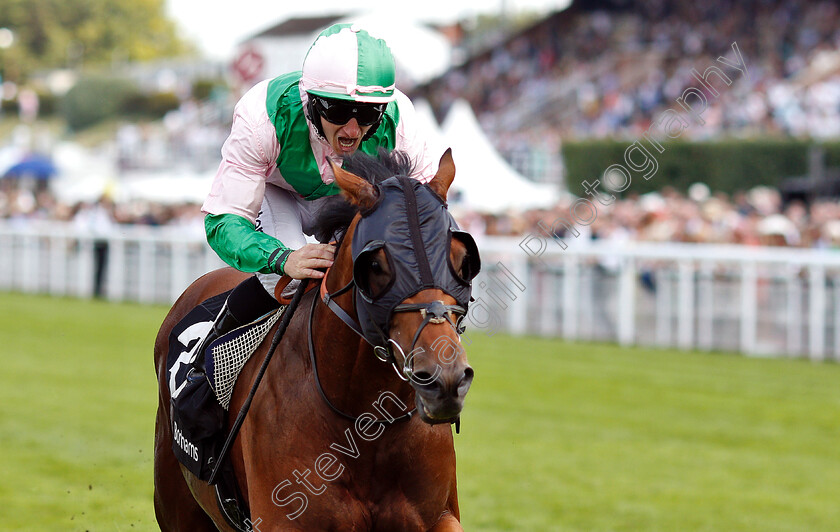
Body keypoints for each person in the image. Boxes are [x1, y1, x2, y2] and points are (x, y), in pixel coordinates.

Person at [196, 23, 439, 354]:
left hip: (349, 202)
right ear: (311, 102)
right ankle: (204, 359)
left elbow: (423, 217)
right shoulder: (262, 116)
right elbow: (224, 221)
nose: (353, 129)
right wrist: (282, 257)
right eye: (338, 111)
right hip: (279, 195)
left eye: (367, 114)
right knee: (292, 279)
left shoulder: (402, 123)